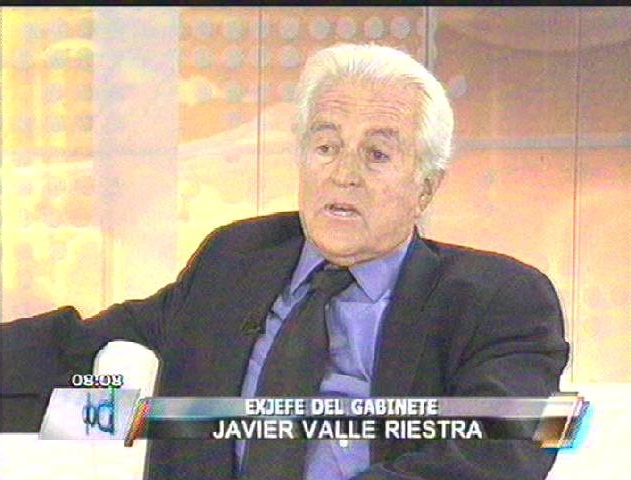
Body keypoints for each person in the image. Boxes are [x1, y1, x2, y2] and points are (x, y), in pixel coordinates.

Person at [1, 43, 569, 480]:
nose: (343, 174)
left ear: (425, 187)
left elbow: (502, 450)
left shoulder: (497, 300)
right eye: (326, 147)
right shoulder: (235, 262)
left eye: (377, 153)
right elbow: (80, 348)